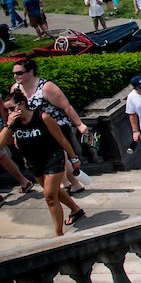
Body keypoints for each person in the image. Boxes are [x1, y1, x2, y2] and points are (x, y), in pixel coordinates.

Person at [1, 90, 83, 235]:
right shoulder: (14, 123)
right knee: (54, 191)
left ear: (22, 104)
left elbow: (62, 139)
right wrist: (9, 125)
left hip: (53, 157)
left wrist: (73, 158)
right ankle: (76, 210)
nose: (9, 112)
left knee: (50, 196)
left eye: (12, 108)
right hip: (34, 162)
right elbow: (2, 144)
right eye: (6, 110)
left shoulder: (42, 117)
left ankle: (58, 234)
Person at [11, 57, 90, 194]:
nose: (16, 76)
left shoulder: (46, 87)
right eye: (14, 73)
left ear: (30, 72)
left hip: (55, 126)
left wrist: (79, 124)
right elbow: (14, 112)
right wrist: (15, 134)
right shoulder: (15, 89)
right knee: (55, 159)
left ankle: (65, 184)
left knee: (58, 157)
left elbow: (66, 106)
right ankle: (73, 184)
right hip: (35, 131)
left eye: (19, 73)